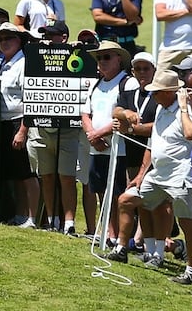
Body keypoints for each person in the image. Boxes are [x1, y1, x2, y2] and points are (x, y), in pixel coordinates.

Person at [106, 69, 192, 281]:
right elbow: (153, 142)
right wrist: (142, 173)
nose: (153, 95)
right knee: (126, 200)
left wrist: (188, 106)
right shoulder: (161, 108)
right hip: (157, 174)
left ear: (169, 92)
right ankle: (121, 249)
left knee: (187, 222)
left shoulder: (185, 111)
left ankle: (191, 270)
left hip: (180, 176)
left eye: (157, 92)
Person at [80, 41, 137, 239]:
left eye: (107, 57)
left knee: (118, 194)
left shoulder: (127, 83)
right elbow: (85, 114)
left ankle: (118, 237)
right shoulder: (96, 84)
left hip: (119, 149)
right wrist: (92, 136)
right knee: (101, 193)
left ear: (118, 59)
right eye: (99, 58)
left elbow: (124, 116)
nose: (102, 61)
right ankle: (107, 233)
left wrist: (98, 134)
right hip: (96, 148)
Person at [0, 22, 40, 228]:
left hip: (19, 122)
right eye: (0, 39)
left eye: (9, 38)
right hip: (4, 122)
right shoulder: (1, 63)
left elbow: (31, 100)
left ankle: (32, 217)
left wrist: (23, 131)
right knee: (15, 174)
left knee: (27, 173)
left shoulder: (24, 63)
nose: (4, 42)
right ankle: (20, 215)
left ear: (19, 41)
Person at [112, 51, 158, 255]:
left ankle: (154, 247)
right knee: (138, 202)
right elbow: (116, 111)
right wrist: (126, 113)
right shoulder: (130, 94)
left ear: (154, 71)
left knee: (152, 205)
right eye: (138, 69)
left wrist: (130, 129)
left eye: (146, 69)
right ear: (132, 71)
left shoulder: (159, 96)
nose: (142, 73)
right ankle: (143, 245)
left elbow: (157, 127)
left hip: (154, 159)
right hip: (132, 157)